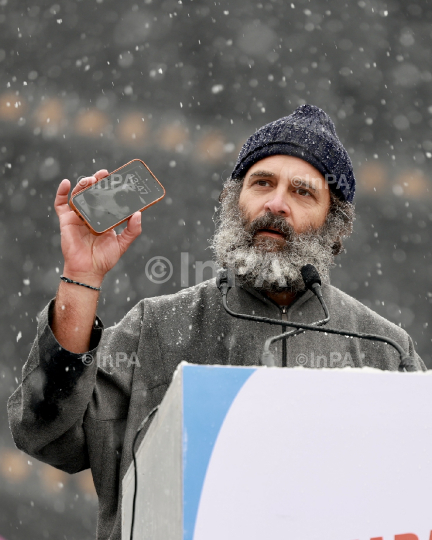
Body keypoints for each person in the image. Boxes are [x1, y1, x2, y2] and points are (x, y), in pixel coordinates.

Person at [7, 104, 426, 540]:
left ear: (335, 228)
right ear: (232, 201)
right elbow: (44, 433)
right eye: (261, 183)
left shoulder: (385, 351)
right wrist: (82, 274)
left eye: (302, 192)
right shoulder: (156, 327)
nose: (276, 204)